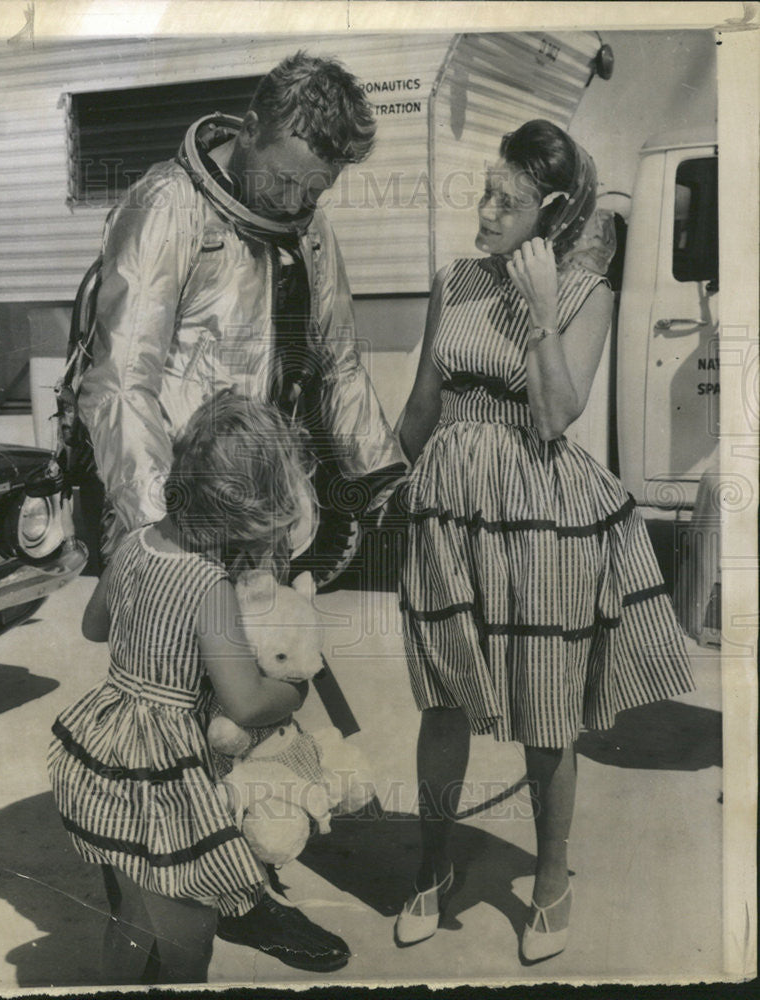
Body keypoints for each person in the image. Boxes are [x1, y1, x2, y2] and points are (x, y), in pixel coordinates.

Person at [73, 52, 406, 967]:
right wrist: (154, 535)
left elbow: (336, 360)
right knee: (163, 716)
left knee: (246, 715)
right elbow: (119, 383)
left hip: (254, 506)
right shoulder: (167, 206)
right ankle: (151, 907)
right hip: (170, 503)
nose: (300, 200)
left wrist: (382, 476)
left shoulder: (303, 223)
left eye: (317, 187)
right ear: (255, 126)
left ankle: (239, 886)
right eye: (290, 178)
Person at [394, 120, 694, 963]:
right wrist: (373, 490)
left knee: (543, 701)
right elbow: (422, 407)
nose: (486, 212)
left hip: (539, 508)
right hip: (449, 507)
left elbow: (558, 412)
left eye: (509, 202)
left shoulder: (585, 290)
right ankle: (432, 865)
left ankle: (552, 879)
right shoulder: (451, 280)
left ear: (553, 213)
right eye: (486, 192)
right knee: (443, 695)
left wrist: (535, 311)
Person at [49, 392, 335, 984]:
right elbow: (246, 703)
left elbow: (93, 627)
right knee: (188, 929)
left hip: (106, 754)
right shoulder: (209, 586)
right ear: (246, 508)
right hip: (166, 778)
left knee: (132, 911)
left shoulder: (133, 544)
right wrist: (295, 690)